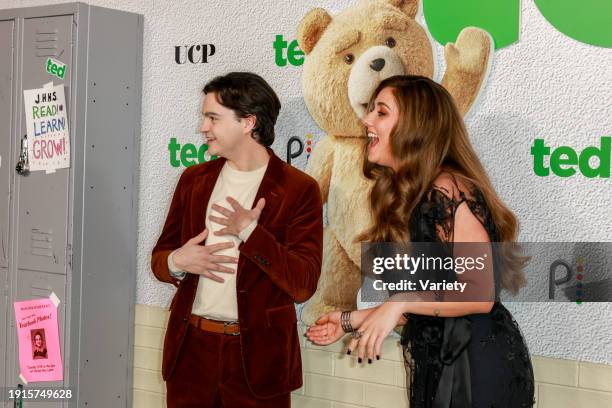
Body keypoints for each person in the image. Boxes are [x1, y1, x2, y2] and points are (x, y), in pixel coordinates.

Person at [306, 75, 535, 407]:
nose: (366, 120)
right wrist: (348, 320)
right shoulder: (416, 195)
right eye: (371, 110)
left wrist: (398, 303)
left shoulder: (449, 189)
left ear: (416, 126)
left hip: (474, 369)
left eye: (381, 112)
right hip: (443, 362)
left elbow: (478, 292)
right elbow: (432, 300)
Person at [151, 72, 323, 407]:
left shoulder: (298, 190)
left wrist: (250, 233)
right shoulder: (193, 181)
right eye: (205, 117)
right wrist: (177, 262)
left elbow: (303, 284)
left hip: (257, 364)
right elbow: (160, 258)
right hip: (190, 356)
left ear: (248, 122)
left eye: (213, 117)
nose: (203, 127)